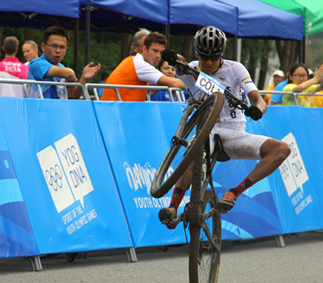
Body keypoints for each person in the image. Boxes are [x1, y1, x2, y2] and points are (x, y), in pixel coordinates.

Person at [158, 26, 291, 228]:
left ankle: (235, 192)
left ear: (222, 54)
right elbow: (180, 62)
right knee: (192, 154)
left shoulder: (235, 68)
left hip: (234, 132)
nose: (209, 63)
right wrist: (171, 55)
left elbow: (257, 98)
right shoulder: (191, 69)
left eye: (214, 57)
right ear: (197, 53)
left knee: (282, 149)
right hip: (205, 131)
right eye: (204, 58)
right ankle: (173, 207)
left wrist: (259, 109)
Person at [101, 32, 185, 102]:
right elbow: (175, 83)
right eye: (154, 51)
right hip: (115, 113)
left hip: (116, 111)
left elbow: (150, 91)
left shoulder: (131, 60)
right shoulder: (140, 65)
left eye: (161, 53)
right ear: (144, 49)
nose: (158, 56)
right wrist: (195, 85)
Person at [28, 26, 101, 99]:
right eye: (54, 46)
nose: (58, 51)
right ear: (43, 46)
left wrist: (83, 78)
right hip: (40, 109)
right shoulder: (36, 64)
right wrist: (72, 78)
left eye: (62, 47)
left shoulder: (62, 68)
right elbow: (69, 74)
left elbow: (72, 98)